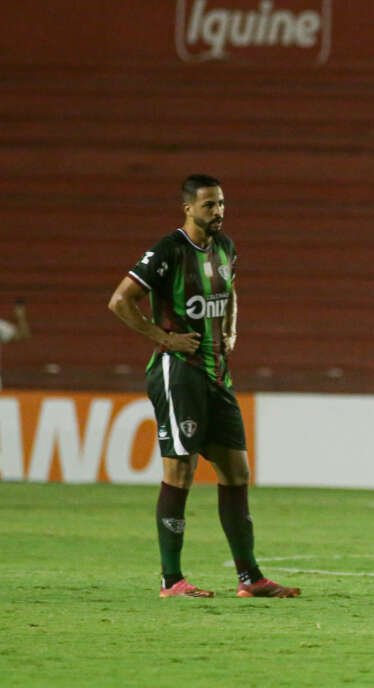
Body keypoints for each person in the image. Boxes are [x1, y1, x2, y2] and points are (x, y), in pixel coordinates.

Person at [108, 173, 301, 599]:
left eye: (222, 204)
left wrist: (231, 330)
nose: (219, 212)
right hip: (179, 373)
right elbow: (120, 300)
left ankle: (250, 579)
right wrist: (164, 337)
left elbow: (230, 293)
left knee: (237, 471)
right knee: (180, 471)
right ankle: (171, 580)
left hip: (218, 374)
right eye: (210, 205)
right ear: (189, 209)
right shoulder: (168, 251)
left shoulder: (227, 248)